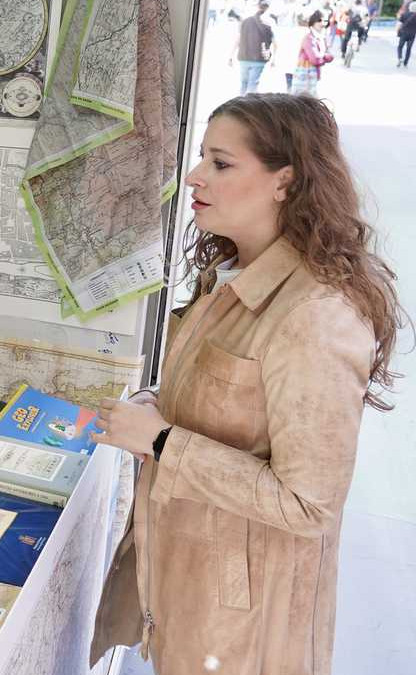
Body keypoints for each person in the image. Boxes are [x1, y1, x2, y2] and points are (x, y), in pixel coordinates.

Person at [89, 94, 405, 675]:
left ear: (285, 181)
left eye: (221, 163)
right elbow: (226, 407)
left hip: (246, 624)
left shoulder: (315, 315)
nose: (195, 176)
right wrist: (157, 407)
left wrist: (162, 442)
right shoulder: (232, 275)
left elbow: (309, 503)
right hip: (188, 582)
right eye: (203, 159)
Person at [230, 2, 276, 94]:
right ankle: (249, 106)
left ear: (258, 6)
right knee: (252, 85)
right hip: (259, 58)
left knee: (243, 83)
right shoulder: (270, 22)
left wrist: (230, 56)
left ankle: (240, 104)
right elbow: (276, 43)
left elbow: (238, 40)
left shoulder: (245, 21)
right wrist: (274, 59)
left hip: (244, 57)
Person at [294, 11, 333, 95]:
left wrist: (324, 56)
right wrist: (326, 57)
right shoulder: (309, 38)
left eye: (324, 21)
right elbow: (315, 59)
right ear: (313, 22)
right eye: (319, 21)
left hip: (310, 76)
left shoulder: (319, 37)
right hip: (305, 76)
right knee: (303, 101)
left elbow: (327, 55)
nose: (322, 23)